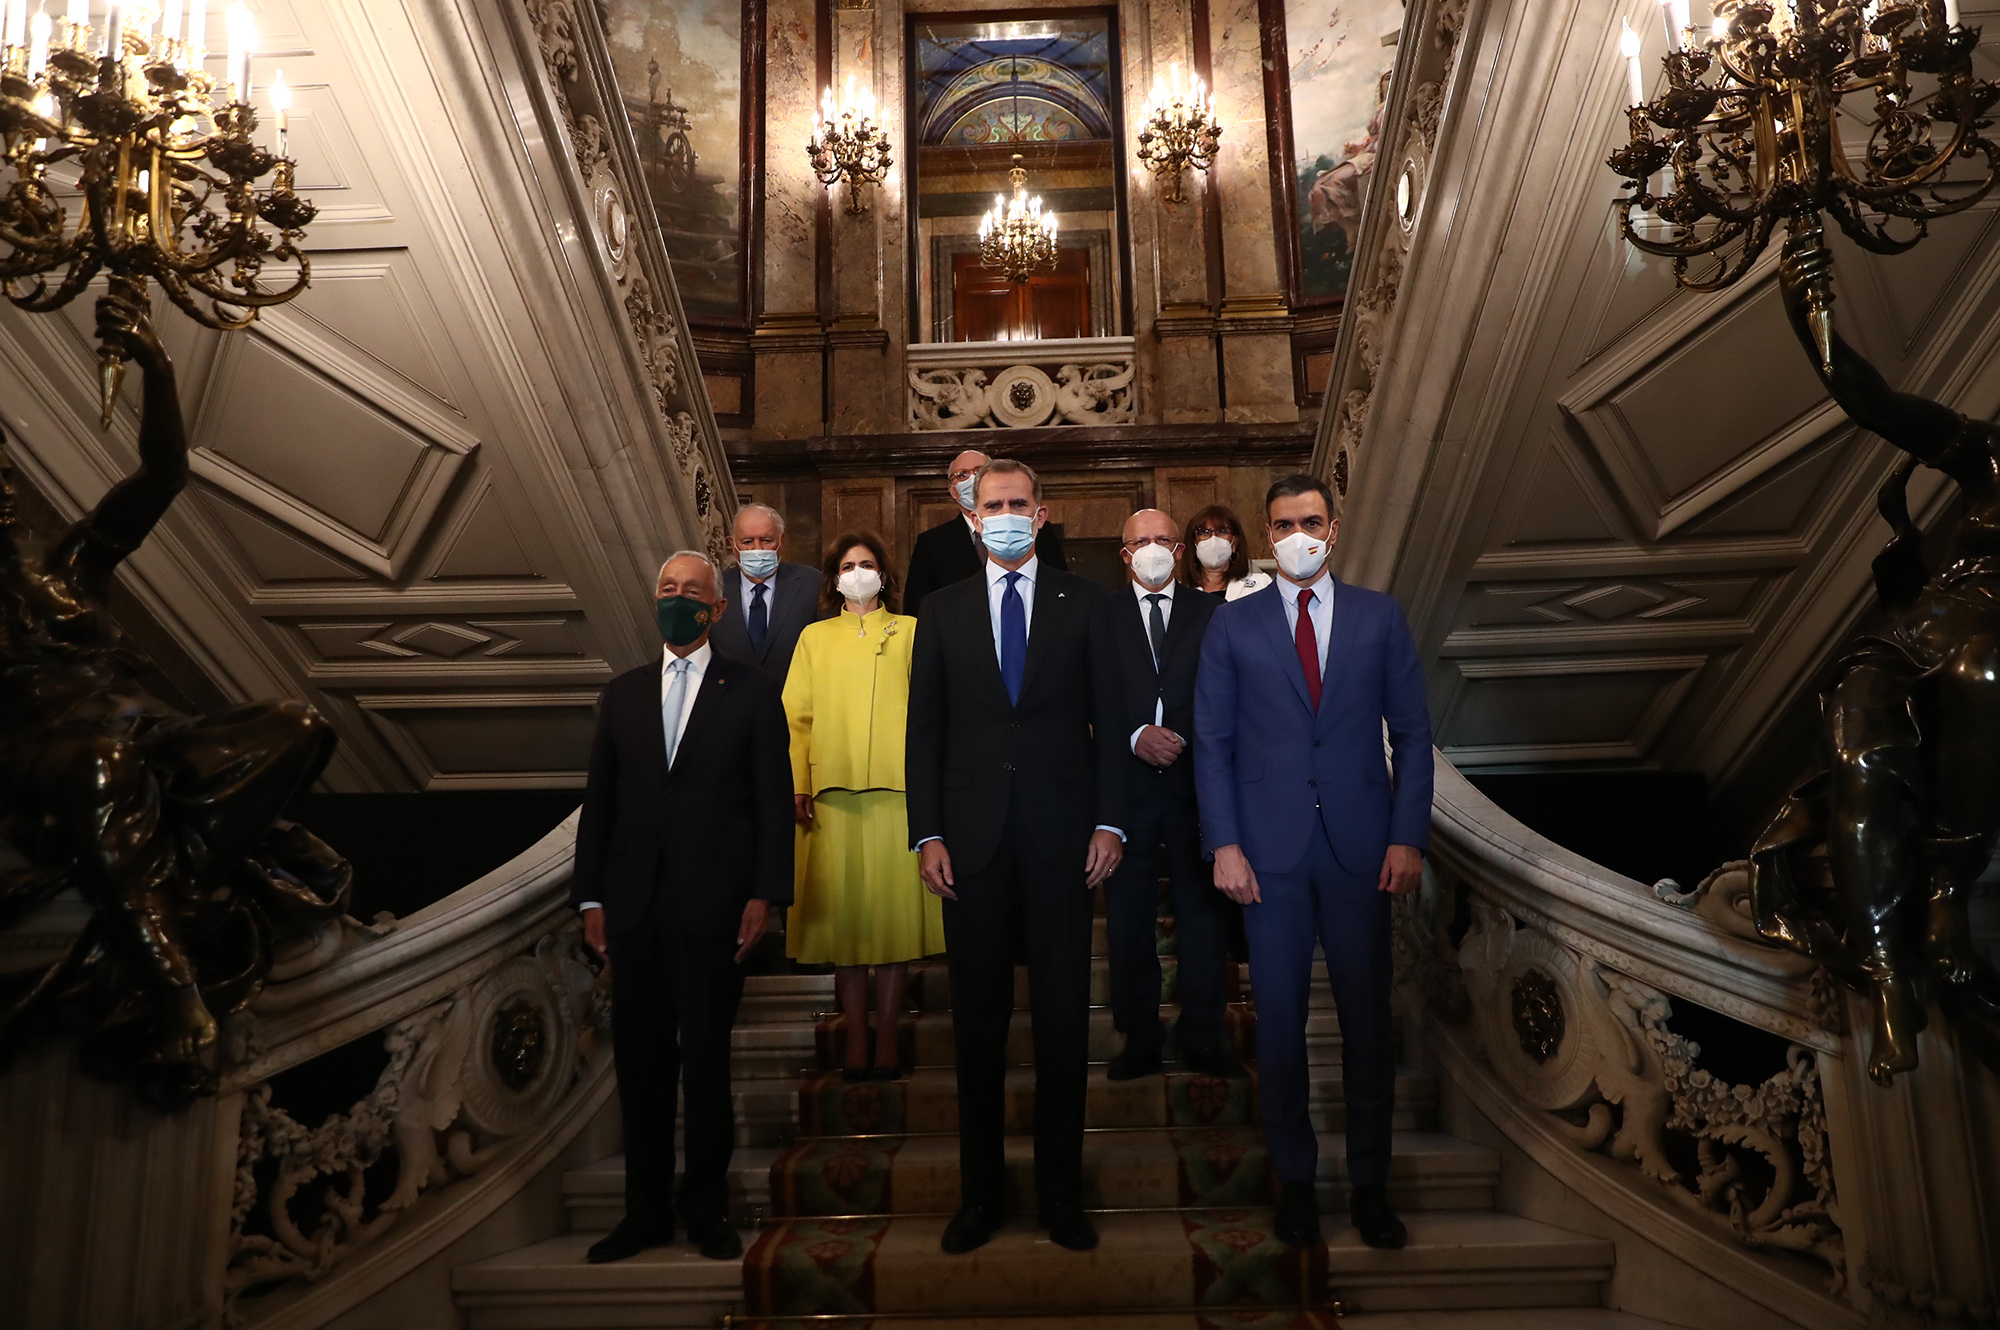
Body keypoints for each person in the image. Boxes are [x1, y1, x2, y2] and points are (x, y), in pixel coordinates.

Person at [1193, 473, 1433, 1252]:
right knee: (1280, 1030)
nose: (1299, 533)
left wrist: (1408, 836)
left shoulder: (1380, 616)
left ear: (1335, 528)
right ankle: (1295, 1183)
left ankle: (1371, 1187)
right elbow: (1216, 744)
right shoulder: (1233, 627)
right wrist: (1224, 844)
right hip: (1269, 855)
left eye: (1312, 520)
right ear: (1267, 536)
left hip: (1364, 851)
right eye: (1284, 523)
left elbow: (1416, 738)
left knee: (1368, 1027)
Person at [906, 458, 1124, 1256]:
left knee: (1065, 1027)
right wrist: (926, 832)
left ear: (1040, 514)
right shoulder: (941, 607)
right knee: (978, 1032)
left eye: (1016, 503)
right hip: (971, 848)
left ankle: (1062, 1199)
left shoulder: (1088, 604)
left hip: (1067, 845)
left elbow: (1113, 721)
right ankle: (980, 1198)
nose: (1002, 513)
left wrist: (1112, 824)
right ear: (973, 514)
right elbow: (923, 731)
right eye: (989, 503)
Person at [571, 551, 794, 1265]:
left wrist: (765, 893)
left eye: (691, 592)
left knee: (705, 1064)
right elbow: (599, 804)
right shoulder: (625, 694)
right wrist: (592, 895)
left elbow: (770, 804)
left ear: (716, 609)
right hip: (634, 907)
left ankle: (705, 1209)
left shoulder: (754, 693)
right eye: (667, 589)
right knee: (639, 1066)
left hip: (716, 906)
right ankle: (643, 1214)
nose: (677, 600)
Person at [783, 532, 945, 1081]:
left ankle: (888, 1037)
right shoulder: (813, 638)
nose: (858, 573)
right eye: (848, 565)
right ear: (834, 578)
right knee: (847, 929)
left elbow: (933, 713)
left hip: (901, 795)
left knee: (892, 926)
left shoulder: (916, 632)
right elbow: (795, 717)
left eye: (868, 564)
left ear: (885, 576)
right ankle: (855, 1035)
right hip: (830, 797)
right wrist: (797, 782)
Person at [1090, 509, 1241, 1082]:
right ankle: (1140, 1035)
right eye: (1139, 541)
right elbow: (1090, 692)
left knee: (1203, 915)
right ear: (1123, 553)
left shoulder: (1214, 613)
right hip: (1124, 789)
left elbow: (1227, 689)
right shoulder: (1098, 615)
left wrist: (1179, 733)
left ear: (1179, 551)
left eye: (1162, 539)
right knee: (1128, 918)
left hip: (1195, 784)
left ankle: (1204, 1033)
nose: (1151, 548)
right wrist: (1134, 734)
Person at [903, 448, 1068, 617]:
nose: (972, 478)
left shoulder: (1037, 529)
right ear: (953, 491)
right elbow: (917, 607)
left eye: (979, 471)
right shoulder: (932, 543)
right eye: (962, 475)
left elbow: (1063, 588)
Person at [709, 502, 823, 679]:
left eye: (766, 540)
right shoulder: (713, 587)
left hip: (793, 702)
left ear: (782, 542)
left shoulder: (812, 584)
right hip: (731, 701)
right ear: (733, 545)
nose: (757, 549)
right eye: (747, 542)